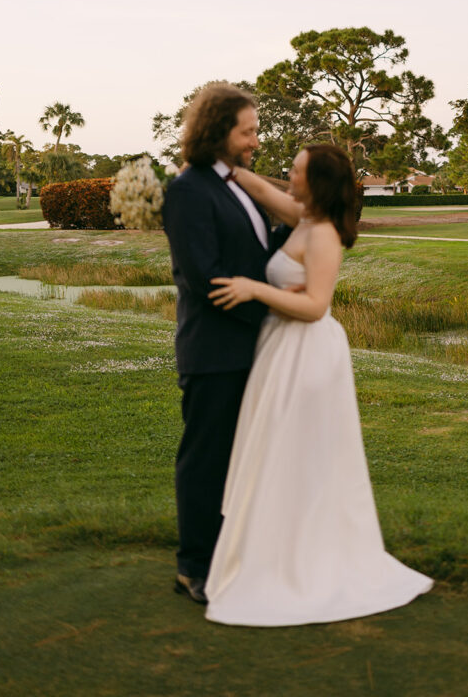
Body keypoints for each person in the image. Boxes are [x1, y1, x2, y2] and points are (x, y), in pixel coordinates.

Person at [204, 143, 433, 626]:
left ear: (317, 181)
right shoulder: (304, 217)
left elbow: (315, 306)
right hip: (282, 349)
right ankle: (276, 548)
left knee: (301, 456)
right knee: (279, 453)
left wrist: (254, 289)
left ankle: (308, 560)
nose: (288, 173)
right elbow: (267, 192)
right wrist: (225, 168)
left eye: (297, 169)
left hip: (307, 356)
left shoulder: (324, 234)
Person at [162, 82, 274, 604]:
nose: (255, 140)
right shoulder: (188, 190)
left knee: (241, 460)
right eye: (247, 131)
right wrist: (275, 309)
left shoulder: (236, 184)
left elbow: (254, 255)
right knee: (206, 459)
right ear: (217, 131)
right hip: (214, 350)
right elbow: (206, 279)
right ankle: (195, 566)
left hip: (251, 347)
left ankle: (232, 553)